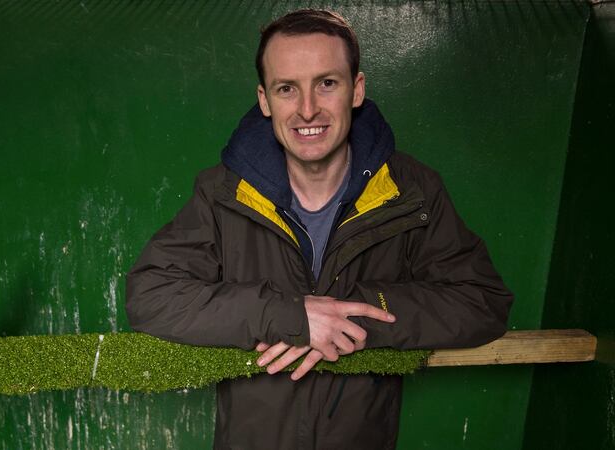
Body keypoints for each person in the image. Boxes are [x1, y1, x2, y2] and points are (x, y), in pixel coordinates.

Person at [126, 9, 513, 450]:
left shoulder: (412, 190)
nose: (307, 109)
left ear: (356, 90)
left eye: (326, 83)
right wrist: (288, 317)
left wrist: (353, 316)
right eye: (287, 89)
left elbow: (482, 301)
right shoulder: (222, 193)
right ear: (265, 100)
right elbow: (150, 295)